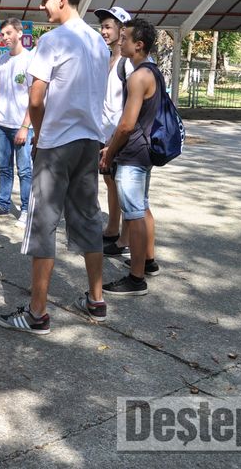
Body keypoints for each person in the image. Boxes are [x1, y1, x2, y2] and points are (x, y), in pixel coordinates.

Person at [0, 0, 110, 333]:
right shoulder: (98, 41)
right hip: (89, 141)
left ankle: (37, 314)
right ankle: (96, 300)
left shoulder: (53, 40)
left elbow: (35, 98)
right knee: (89, 218)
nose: (42, 6)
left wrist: (39, 135)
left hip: (57, 143)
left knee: (43, 224)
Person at [99, 18, 162, 295]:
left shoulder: (138, 76)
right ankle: (148, 261)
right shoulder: (152, 71)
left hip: (132, 154)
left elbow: (126, 124)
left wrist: (110, 151)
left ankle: (136, 279)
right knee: (143, 208)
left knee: (134, 215)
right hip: (144, 151)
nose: (120, 41)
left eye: (125, 38)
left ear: (139, 45)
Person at [0, 18, 33, 228]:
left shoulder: (30, 60)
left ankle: (27, 209)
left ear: (20, 33)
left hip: (22, 126)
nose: (5, 37)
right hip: (2, 124)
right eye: (2, 34)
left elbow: (35, 98)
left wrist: (25, 126)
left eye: (9, 33)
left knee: (25, 170)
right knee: (4, 167)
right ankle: (3, 204)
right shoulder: (1, 61)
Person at [94, 6, 134, 257]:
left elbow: (131, 103)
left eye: (108, 26)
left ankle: (125, 240)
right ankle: (112, 229)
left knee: (123, 186)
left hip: (120, 136)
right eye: (102, 26)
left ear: (122, 29)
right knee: (110, 181)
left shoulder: (128, 64)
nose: (103, 31)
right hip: (104, 133)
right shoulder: (107, 60)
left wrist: (116, 137)